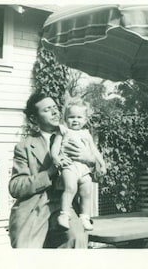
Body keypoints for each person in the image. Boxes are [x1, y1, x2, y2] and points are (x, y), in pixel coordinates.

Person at [8, 92, 99, 248]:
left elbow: (99, 174)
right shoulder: (25, 147)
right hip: (35, 209)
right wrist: (49, 172)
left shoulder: (78, 136)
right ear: (34, 119)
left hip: (66, 207)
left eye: (55, 108)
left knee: (76, 238)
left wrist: (88, 158)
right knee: (26, 252)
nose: (55, 112)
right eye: (47, 110)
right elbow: (15, 187)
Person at [51, 98, 106, 231]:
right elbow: (55, 147)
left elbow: (95, 151)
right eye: (71, 117)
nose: (75, 120)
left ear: (85, 120)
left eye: (79, 117)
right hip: (69, 165)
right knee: (70, 187)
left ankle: (85, 217)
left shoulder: (86, 134)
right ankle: (64, 215)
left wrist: (102, 164)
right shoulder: (63, 131)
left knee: (87, 190)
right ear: (65, 118)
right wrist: (56, 158)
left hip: (83, 167)